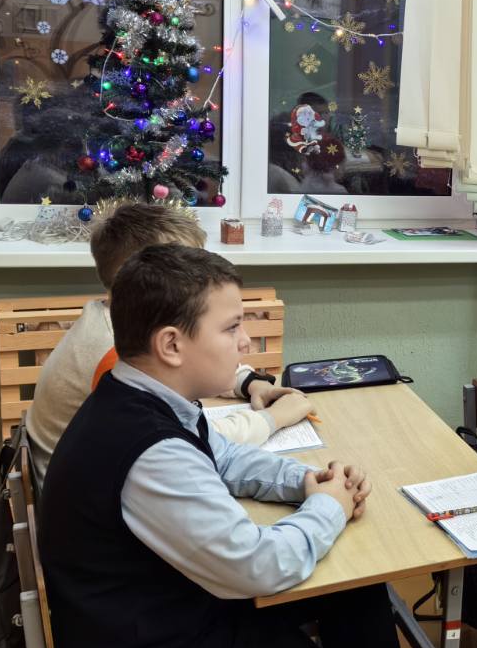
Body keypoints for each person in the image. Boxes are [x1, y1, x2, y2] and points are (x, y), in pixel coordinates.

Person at [36, 245, 477, 648]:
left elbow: (226, 460)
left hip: (165, 615)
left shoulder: (147, 398)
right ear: (172, 344)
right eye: (231, 328)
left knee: (357, 594)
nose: (246, 342)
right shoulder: (150, 451)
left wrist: (307, 482)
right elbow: (258, 566)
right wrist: (329, 508)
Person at [25, 203, 312, 481]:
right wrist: (273, 418)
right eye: (187, 266)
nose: (203, 276)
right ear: (144, 274)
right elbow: (183, 442)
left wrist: (249, 383)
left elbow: (191, 368)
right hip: (101, 494)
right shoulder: (114, 354)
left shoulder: (122, 321)